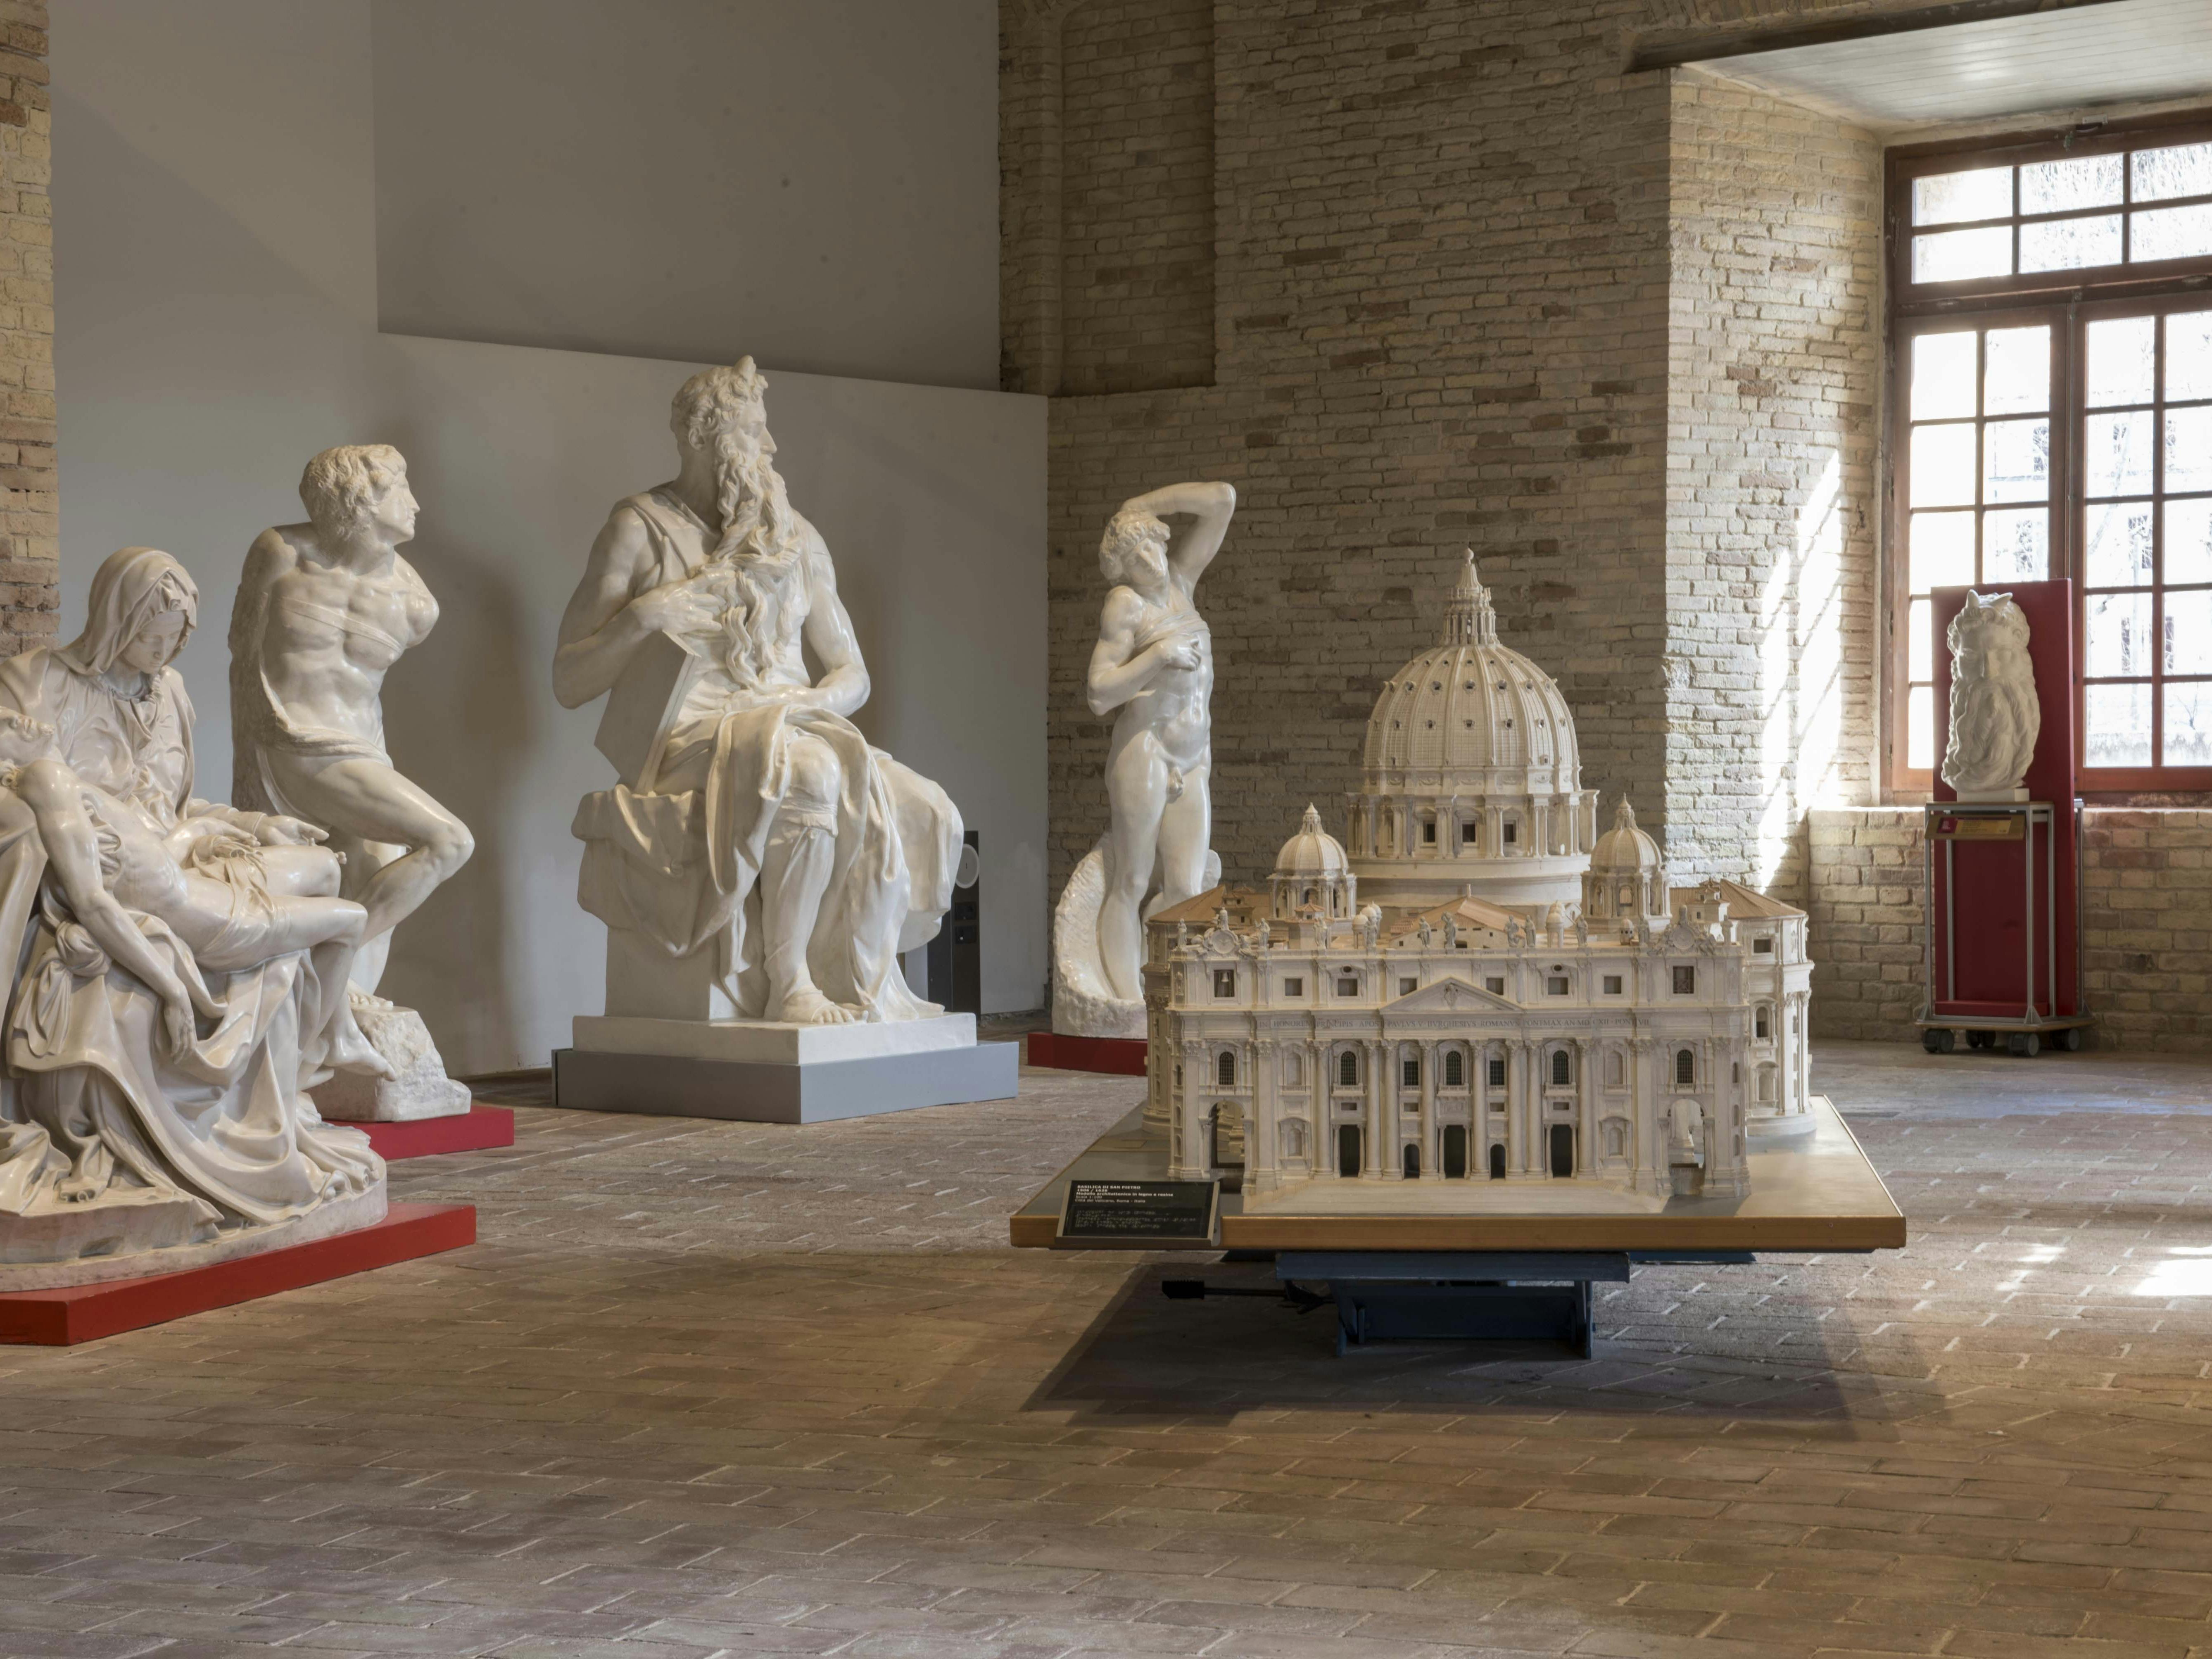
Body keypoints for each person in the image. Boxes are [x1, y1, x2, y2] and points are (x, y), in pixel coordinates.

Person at [554, 357, 958, 1025]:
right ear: (702, 438)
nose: (769, 447)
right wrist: (646, 616)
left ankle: (860, 983)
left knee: (923, 805)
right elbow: (570, 680)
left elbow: (852, 674)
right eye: (751, 430)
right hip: (692, 735)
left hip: (797, 722)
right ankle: (789, 980)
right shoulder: (641, 529)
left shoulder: (797, 538)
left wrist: (804, 706)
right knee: (810, 771)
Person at [228, 445, 474, 991]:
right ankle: (321, 965)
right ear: (361, 499)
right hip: (293, 742)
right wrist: (248, 761)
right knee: (450, 841)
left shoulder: (417, 605)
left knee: (379, 872)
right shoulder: (280, 552)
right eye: (402, 488)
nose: (416, 504)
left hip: (363, 751)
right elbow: (242, 653)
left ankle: (329, 1001)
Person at [1085, 482, 1235, 1003]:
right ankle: (1127, 1003)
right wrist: (1157, 656)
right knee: (1131, 881)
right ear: (1121, 570)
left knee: (1186, 889)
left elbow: (1223, 499)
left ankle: (1160, 984)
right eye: (1133, 557)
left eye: (1149, 544)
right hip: (1146, 749)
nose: (1147, 560)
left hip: (1193, 756)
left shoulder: (1182, 581)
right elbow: (1099, 694)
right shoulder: (1126, 605)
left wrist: (1141, 506)